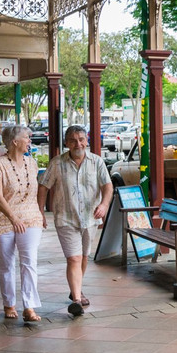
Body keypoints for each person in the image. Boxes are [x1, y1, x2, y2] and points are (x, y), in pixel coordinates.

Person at [37, 125, 113, 317]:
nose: (77, 143)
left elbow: (107, 186)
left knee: (84, 256)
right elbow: (43, 186)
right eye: (72, 140)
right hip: (65, 217)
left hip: (90, 218)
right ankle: (77, 301)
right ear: (66, 143)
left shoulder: (96, 162)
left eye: (81, 139)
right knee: (74, 258)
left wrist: (104, 205)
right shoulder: (57, 163)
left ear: (86, 140)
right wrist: (40, 211)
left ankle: (75, 289)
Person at [0, 124, 43, 323]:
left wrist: (40, 214)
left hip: (30, 217)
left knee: (29, 262)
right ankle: (9, 304)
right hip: (2, 219)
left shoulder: (32, 163)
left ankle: (29, 306)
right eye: (27, 138)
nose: (30, 141)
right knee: (7, 264)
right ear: (15, 142)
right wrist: (13, 218)